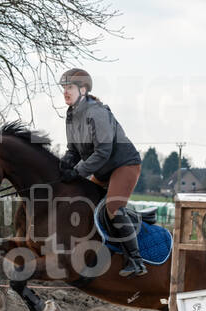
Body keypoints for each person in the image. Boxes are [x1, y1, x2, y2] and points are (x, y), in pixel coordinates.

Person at [58, 68, 147, 277]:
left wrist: (78, 171)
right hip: (102, 169)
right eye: (63, 88)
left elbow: (103, 151)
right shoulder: (71, 115)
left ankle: (136, 260)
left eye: (69, 87)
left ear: (83, 89)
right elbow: (73, 150)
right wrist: (63, 166)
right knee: (84, 201)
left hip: (124, 165)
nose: (65, 92)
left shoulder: (96, 112)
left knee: (113, 208)